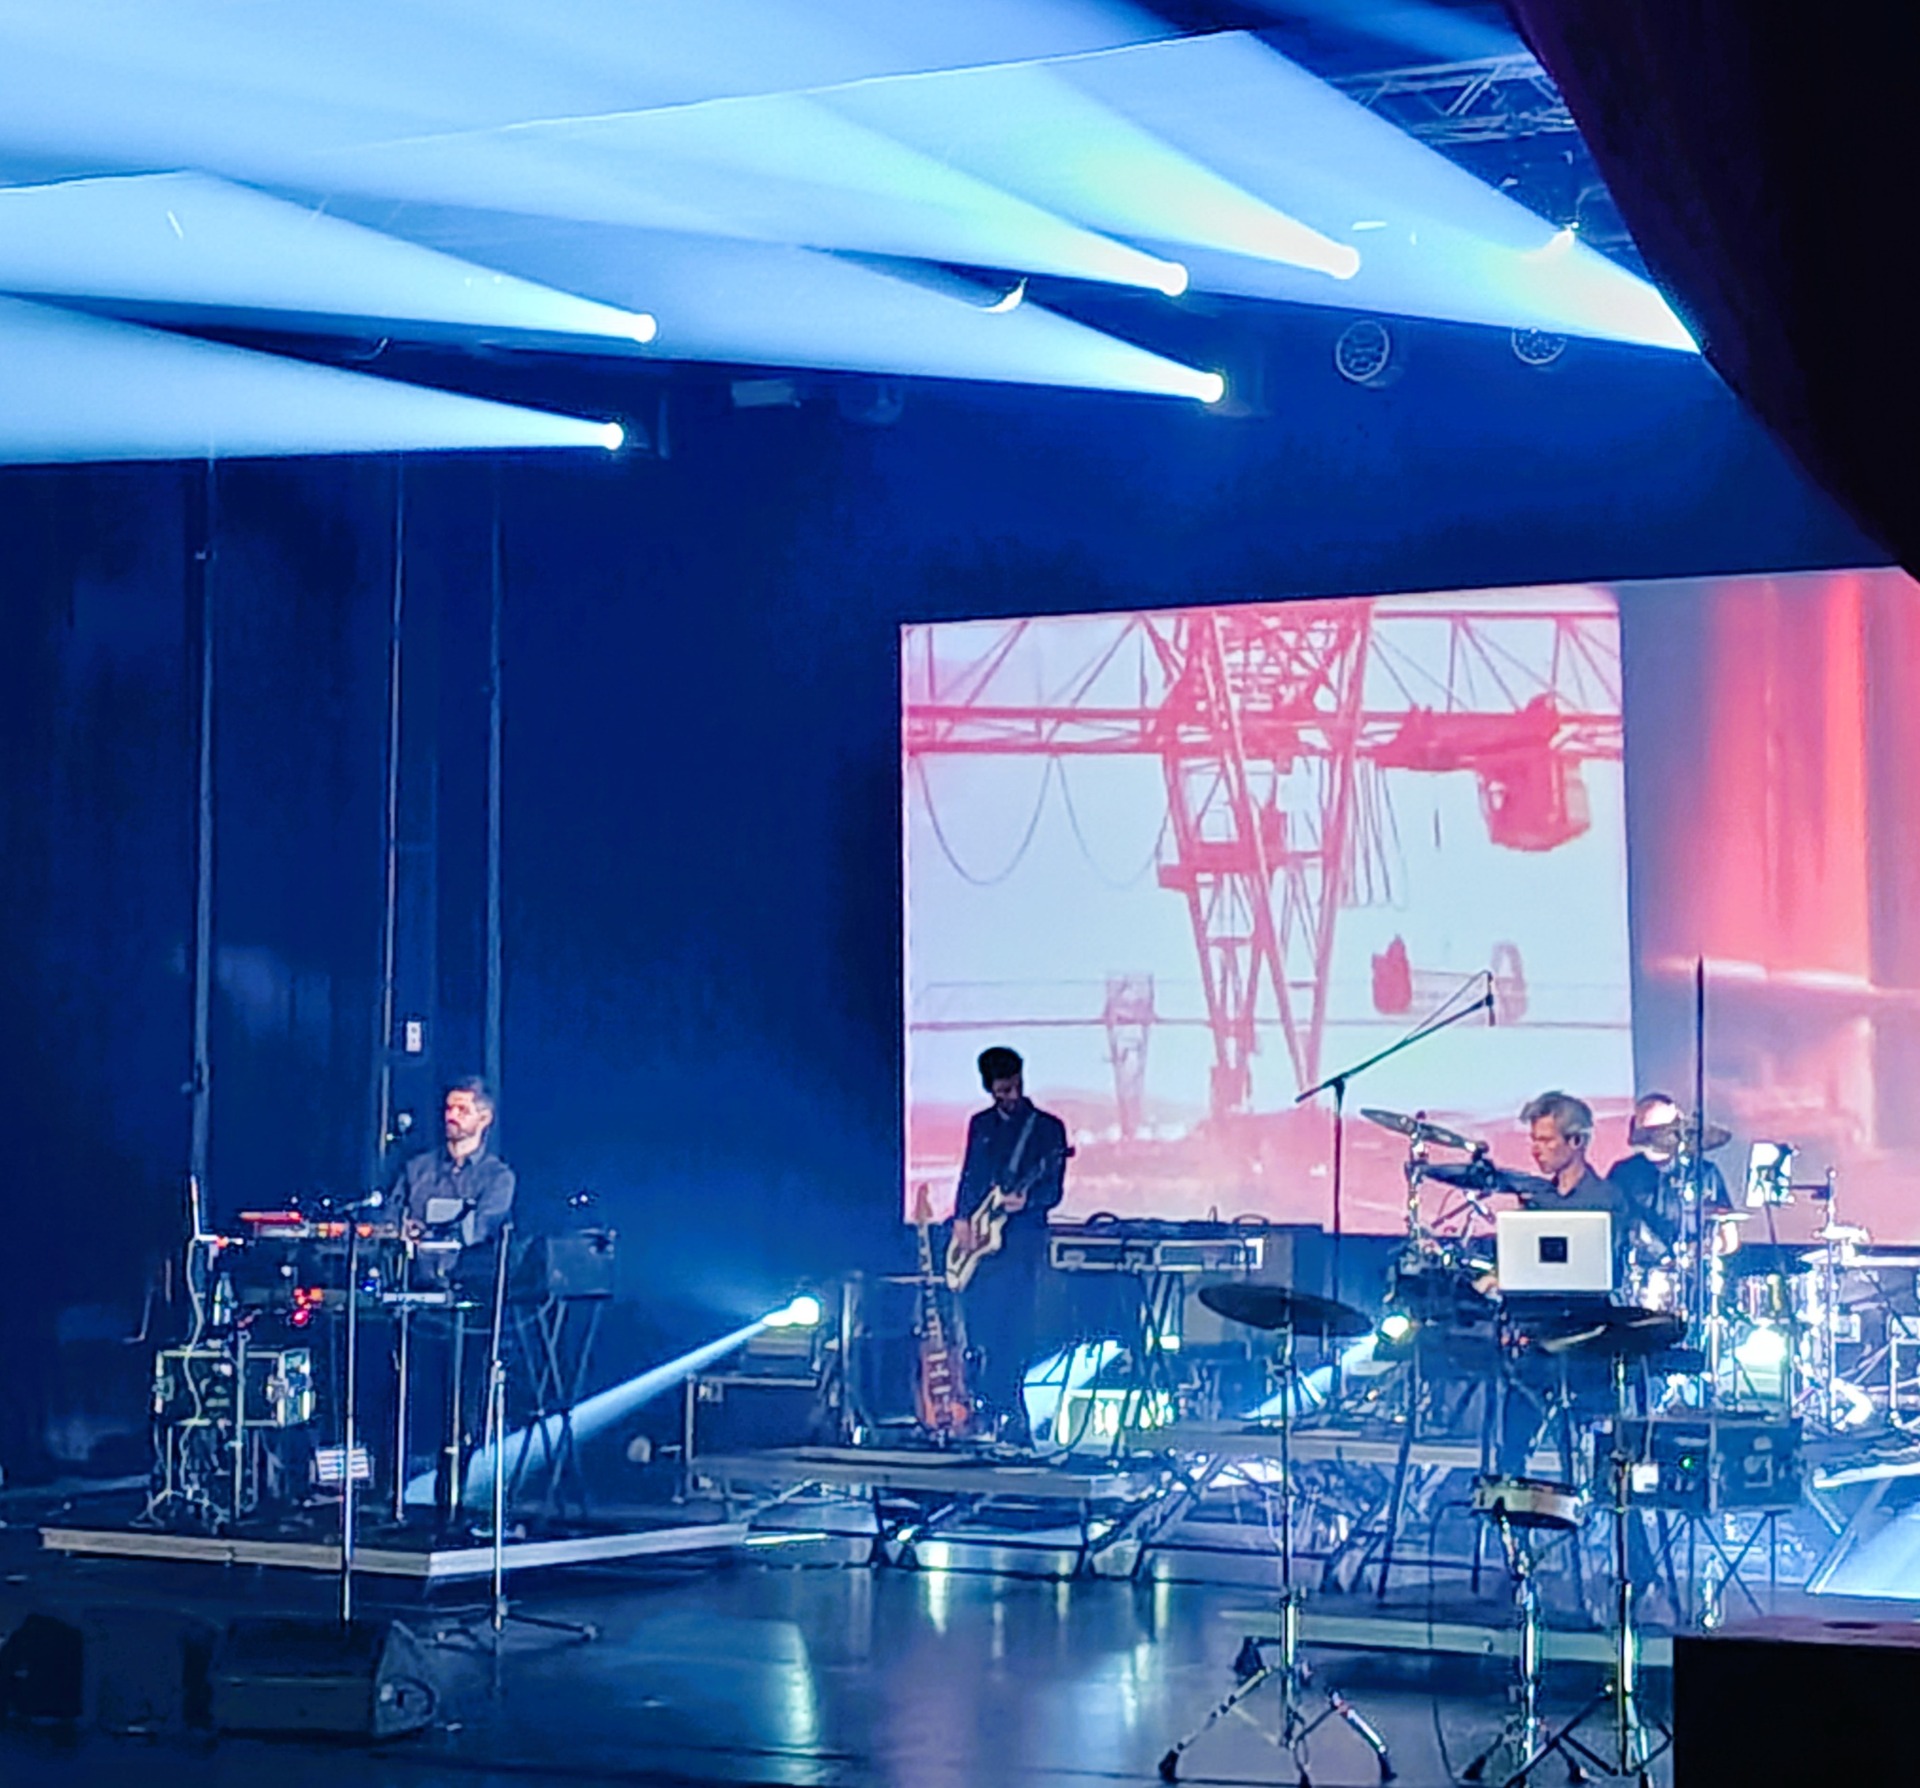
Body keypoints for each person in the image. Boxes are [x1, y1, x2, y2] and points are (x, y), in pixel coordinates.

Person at [951, 1046, 1068, 1449]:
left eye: (1016, 1087)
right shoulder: (981, 1124)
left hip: (1021, 1241)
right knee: (979, 1325)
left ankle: (1013, 1411)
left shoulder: (1047, 1129)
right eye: (1003, 1091)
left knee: (1014, 1327)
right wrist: (961, 1218)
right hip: (981, 1244)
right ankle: (982, 1407)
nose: (1011, 1096)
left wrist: (1028, 1201)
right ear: (989, 1089)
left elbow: (1053, 1189)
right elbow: (971, 1175)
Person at [395, 1077, 516, 1281]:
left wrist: (432, 1232)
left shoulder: (497, 1177)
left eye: (462, 1110)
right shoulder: (416, 1168)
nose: (451, 1116)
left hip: (470, 1282)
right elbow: (391, 1216)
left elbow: (481, 1230)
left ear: (484, 1118)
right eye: (449, 1108)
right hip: (412, 1279)